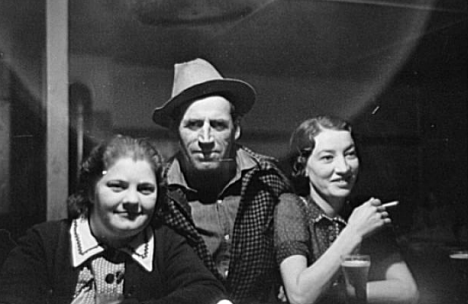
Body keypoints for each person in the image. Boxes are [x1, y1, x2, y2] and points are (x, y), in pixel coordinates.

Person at [0, 135, 226, 304]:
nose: (132, 200)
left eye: (145, 189)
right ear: (90, 191)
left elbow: (207, 289)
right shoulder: (44, 242)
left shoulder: (166, 243)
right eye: (117, 186)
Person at [152, 58, 291, 304]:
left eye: (217, 125)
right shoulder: (155, 192)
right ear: (174, 130)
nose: (206, 138)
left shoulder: (269, 180)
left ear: (236, 129)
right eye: (193, 125)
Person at [274, 116, 419, 304]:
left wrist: (334, 291)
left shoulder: (365, 211)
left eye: (350, 154)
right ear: (303, 167)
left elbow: (408, 291)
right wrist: (354, 231)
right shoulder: (292, 207)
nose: (343, 168)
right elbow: (300, 297)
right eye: (327, 157)